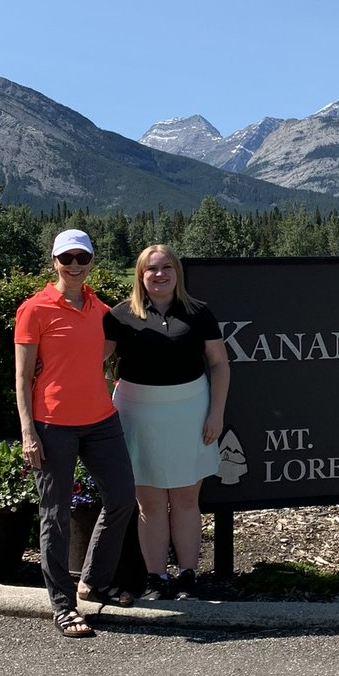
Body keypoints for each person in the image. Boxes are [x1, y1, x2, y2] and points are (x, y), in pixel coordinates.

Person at [14, 229, 137, 638]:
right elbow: (22, 376)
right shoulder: (34, 309)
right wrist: (28, 431)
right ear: (54, 262)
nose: (74, 266)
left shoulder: (100, 309)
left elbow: (105, 350)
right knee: (56, 517)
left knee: (122, 499)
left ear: (91, 262)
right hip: (52, 425)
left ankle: (94, 581)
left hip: (101, 419)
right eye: (66, 258)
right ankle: (64, 607)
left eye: (81, 258)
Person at [103, 244, 230, 600]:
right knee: (151, 502)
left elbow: (219, 365)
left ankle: (189, 577)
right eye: (151, 269)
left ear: (177, 273)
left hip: (191, 412)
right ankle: (157, 578)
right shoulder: (119, 316)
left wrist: (216, 412)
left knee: (188, 499)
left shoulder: (199, 313)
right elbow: (93, 361)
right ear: (140, 276)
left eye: (166, 268)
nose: (159, 275)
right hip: (137, 414)